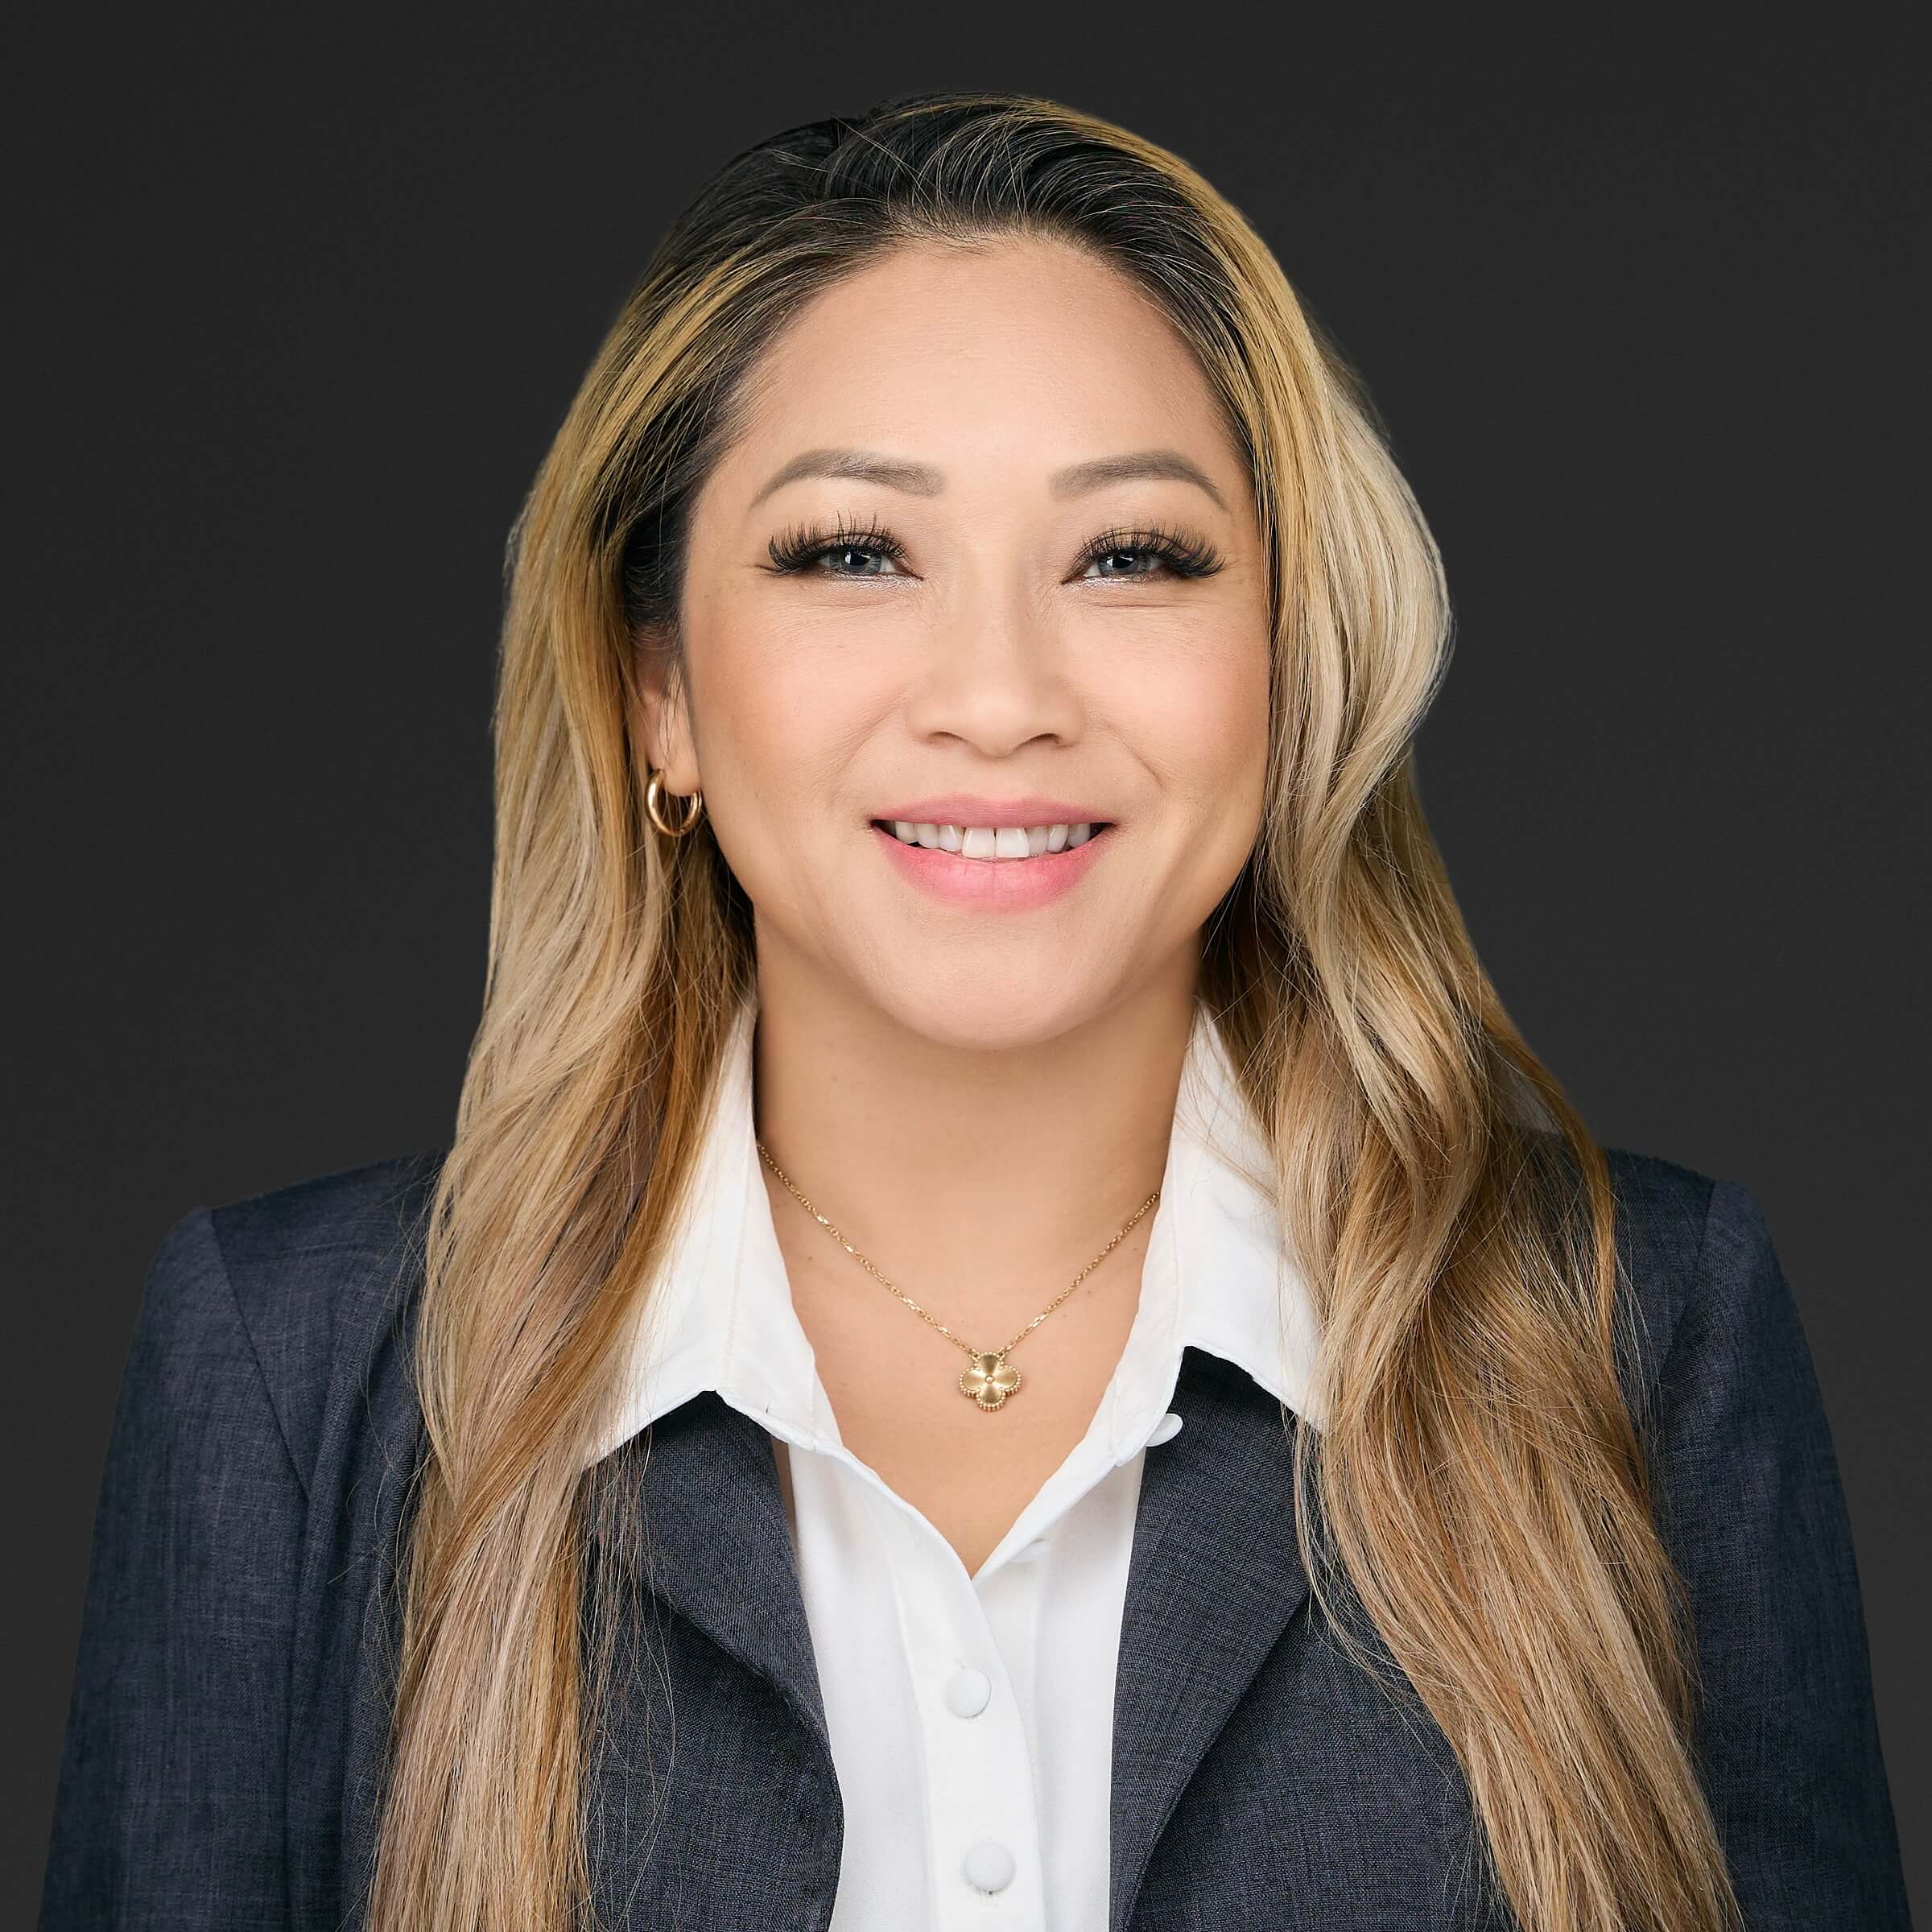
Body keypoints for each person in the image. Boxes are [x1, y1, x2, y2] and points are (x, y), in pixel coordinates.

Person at [39, 91, 1910, 1932]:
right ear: (661, 696)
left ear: (1289, 665)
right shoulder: (290, 1378)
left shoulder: (1638, 1329)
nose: (1000, 694)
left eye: (1134, 558)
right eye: (854, 553)